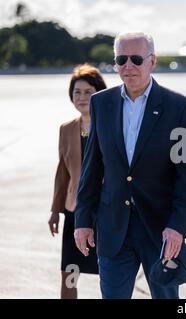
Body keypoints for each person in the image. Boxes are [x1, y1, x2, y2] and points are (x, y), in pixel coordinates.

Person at [74, 32, 186, 299]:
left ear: (152, 61)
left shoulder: (180, 108)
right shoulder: (101, 103)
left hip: (161, 232)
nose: (128, 66)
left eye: (136, 59)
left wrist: (178, 226)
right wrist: (83, 220)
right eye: (121, 59)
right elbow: (92, 166)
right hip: (113, 229)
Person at [49, 64, 106, 299]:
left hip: (105, 211)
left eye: (88, 92)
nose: (81, 97)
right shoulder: (66, 129)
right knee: (69, 272)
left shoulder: (110, 125)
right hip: (74, 210)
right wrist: (55, 210)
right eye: (77, 92)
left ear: (99, 94)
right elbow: (62, 172)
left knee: (110, 272)